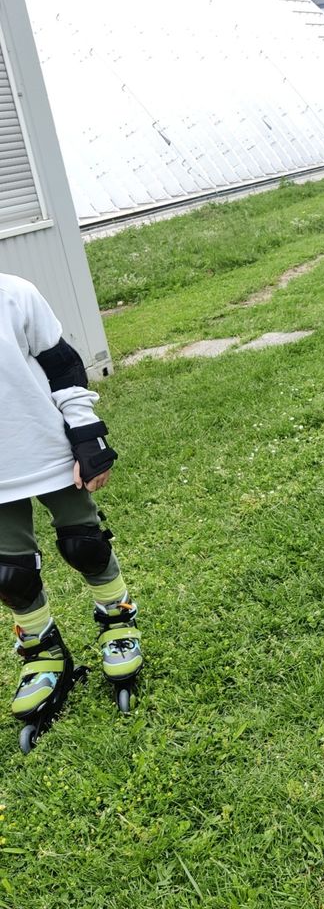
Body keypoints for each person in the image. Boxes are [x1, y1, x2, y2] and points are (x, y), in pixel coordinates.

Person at [0, 273, 143, 745]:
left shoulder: (13, 293)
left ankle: (117, 621)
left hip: (46, 450)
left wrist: (87, 431)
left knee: (85, 544)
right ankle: (42, 654)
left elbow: (62, 365)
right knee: (8, 572)